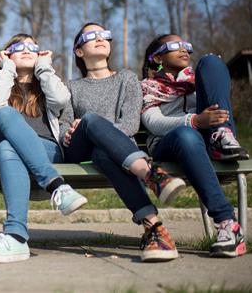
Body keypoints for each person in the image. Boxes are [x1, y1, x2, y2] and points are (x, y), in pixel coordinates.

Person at [57, 22, 188, 262]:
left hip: (112, 154)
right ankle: (151, 175)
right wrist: (71, 130)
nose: (100, 38)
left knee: (103, 153)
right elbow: (64, 125)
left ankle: (154, 228)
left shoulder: (127, 79)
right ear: (79, 51)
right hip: (78, 149)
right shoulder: (71, 86)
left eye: (105, 35)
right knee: (90, 121)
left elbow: (130, 125)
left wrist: (98, 130)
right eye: (92, 36)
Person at [0, 33, 88, 264]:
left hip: (47, 150)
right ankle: (57, 186)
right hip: (7, 158)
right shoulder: (1, 85)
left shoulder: (48, 86)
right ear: (7, 55)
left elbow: (61, 100)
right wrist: (7, 69)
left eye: (32, 46)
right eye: (18, 47)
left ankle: (16, 236)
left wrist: (45, 68)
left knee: (9, 147)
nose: (26, 49)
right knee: (6, 112)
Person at [141, 33, 248, 257]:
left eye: (186, 46)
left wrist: (208, 121)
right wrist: (194, 121)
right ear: (158, 59)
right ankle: (226, 223)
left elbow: (218, 106)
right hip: (170, 144)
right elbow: (153, 122)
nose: (184, 50)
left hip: (210, 140)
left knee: (211, 61)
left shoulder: (198, 82)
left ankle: (222, 135)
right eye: (174, 46)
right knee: (186, 134)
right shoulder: (148, 86)